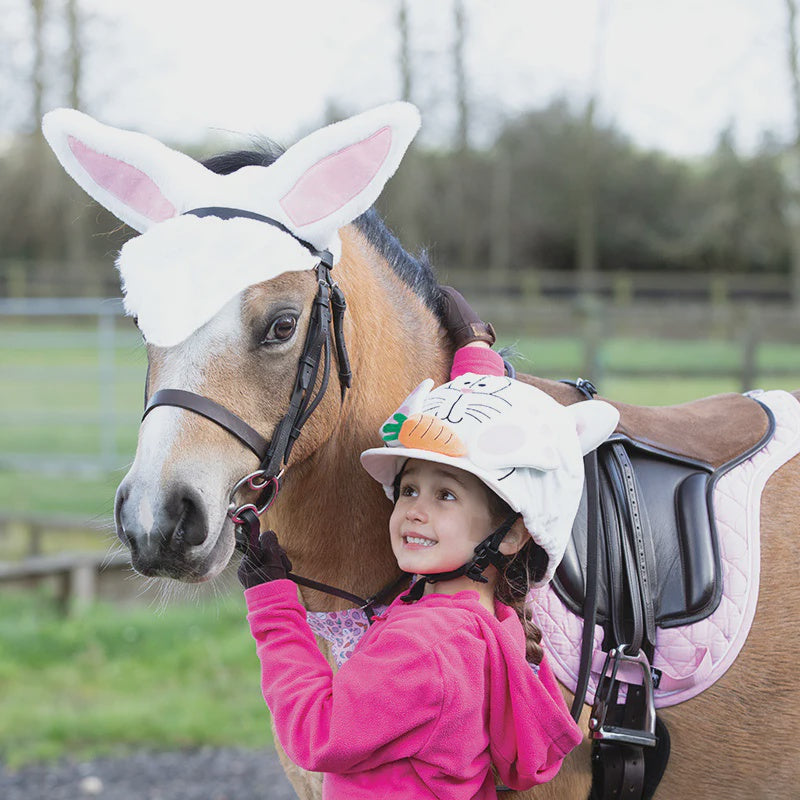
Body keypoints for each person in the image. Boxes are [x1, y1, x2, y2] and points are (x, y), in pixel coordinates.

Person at [238, 290, 620, 799]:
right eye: (409, 489)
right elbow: (467, 446)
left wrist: (274, 610)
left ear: (509, 534)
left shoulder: (424, 648)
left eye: (444, 495)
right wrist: (475, 357)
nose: (415, 509)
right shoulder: (493, 628)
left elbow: (318, 733)